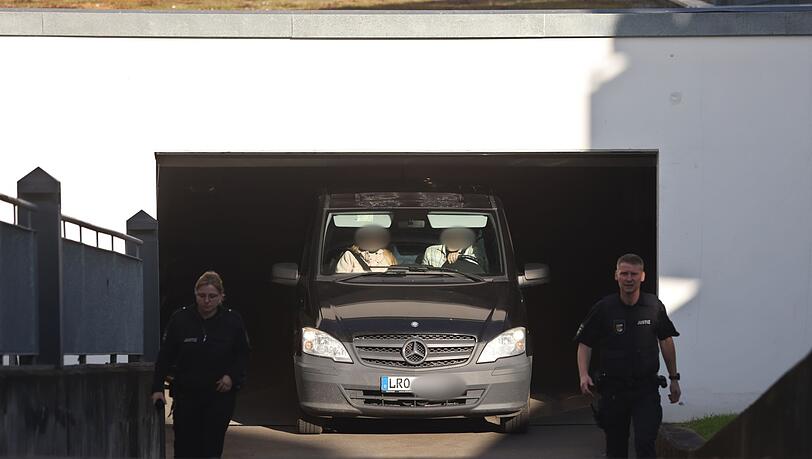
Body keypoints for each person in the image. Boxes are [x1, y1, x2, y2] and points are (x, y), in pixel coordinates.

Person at [574, 254, 681, 459]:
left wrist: (674, 378)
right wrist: (583, 374)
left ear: (642, 276)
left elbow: (666, 341)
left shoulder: (653, 307)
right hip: (614, 390)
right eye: (624, 274)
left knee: (645, 442)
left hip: (646, 388)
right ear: (616, 276)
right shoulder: (604, 308)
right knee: (616, 448)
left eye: (634, 274)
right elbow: (585, 343)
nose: (629, 278)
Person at [151, 271, 250, 458]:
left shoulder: (232, 321)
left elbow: (242, 354)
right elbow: (165, 355)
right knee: (185, 447)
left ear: (221, 297)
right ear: (195, 294)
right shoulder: (180, 319)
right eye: (202, 296)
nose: (207, 301)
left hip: (218, 397)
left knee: (210, 448)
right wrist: (157, 387)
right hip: (187, 395)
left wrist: (231, 376)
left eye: (212, 296)